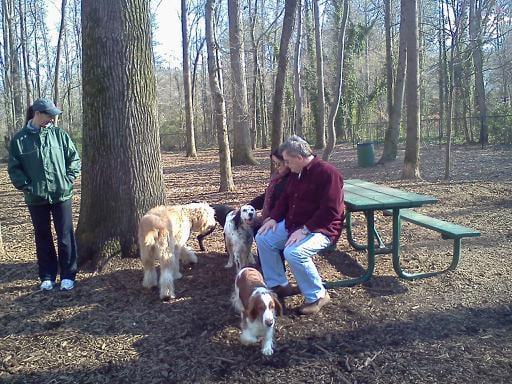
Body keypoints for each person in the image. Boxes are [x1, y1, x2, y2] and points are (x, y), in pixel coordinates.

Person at [255, 135, 344, 315]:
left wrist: (305, 230)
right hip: (294, 225)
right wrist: (273, 218)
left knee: (294, 253)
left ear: (299, 157)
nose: (286, 165)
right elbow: (285, 200)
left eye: (288, 160)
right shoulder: (297, 173)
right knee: (263, 238)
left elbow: (331, 211)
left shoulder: (328, 173)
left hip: (322, 228)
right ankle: (279, 285)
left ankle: (317, 296)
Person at [8, 98, 81, 291]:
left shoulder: (60, 135)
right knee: (42, 236)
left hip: (61, 194)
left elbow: (74, 159)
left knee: (65, 235)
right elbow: (14, 168)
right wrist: (27, 186)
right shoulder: (19, 140)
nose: (52, 119)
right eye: (49, 115)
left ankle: (68, 274)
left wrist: (68, 179)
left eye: (53, 116)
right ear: (37, 113)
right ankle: (47, 275)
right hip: (36, 198)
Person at [249, 148, 291, 232]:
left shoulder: (290, 180)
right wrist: (249, 206)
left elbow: (284, 204)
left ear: (286, 162)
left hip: (282, 220)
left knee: (261, 234)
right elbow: (266, 197)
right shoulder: (277, 178)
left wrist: (273, 218)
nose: (276, 167)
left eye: (278, 164)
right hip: (271, 217)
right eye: (274, 164)